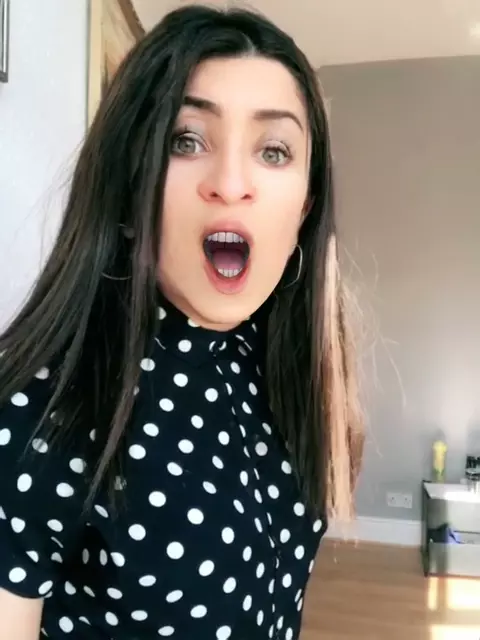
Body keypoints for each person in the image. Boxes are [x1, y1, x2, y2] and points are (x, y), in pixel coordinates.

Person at [0, 4, 364, 639]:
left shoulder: (285, 370)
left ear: (305, 207)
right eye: (185, 140)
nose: (231, 183)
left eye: (273, 150)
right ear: (129, 183)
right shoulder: (43, 410)